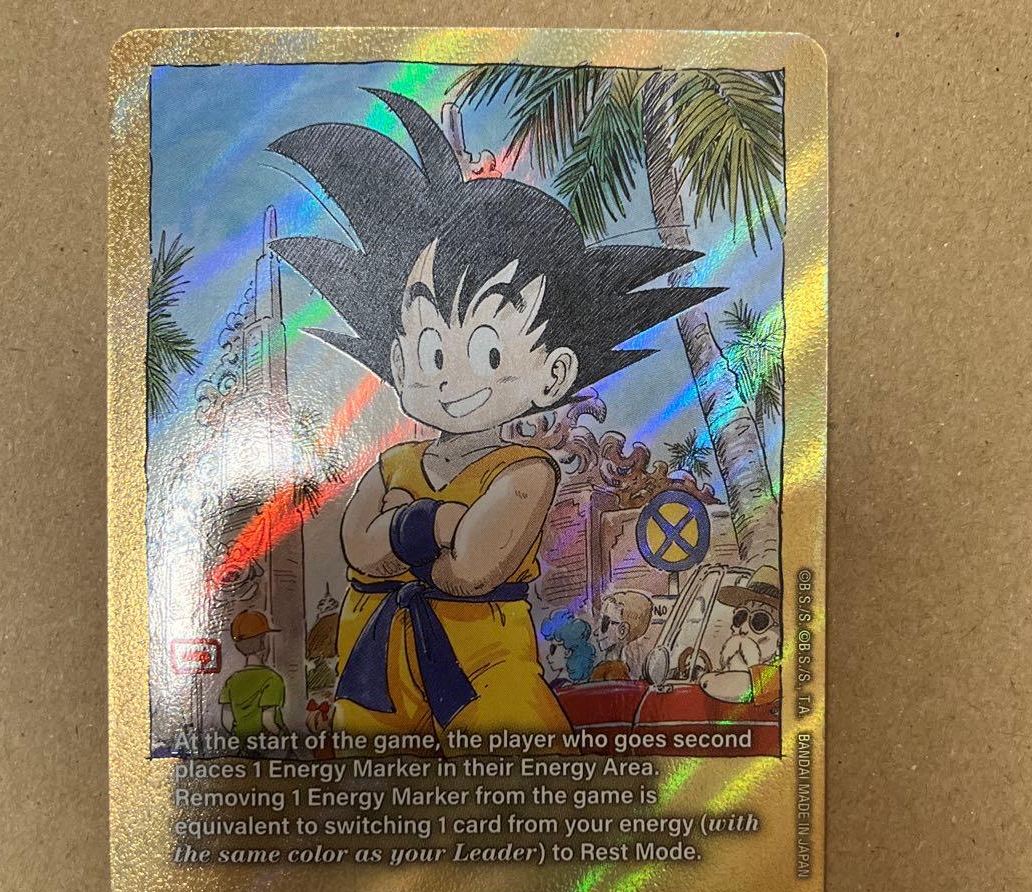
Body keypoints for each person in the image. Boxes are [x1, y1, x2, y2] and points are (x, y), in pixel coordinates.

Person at [268, 90, 723, 744]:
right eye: (430, 350)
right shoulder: (392, 464)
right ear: (396, 357)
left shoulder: (527, 470)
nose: (449, 377)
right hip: (375, 672)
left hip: (486, 671)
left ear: (554, 373)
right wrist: (442, 526)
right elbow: (359, 550)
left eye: (487, 352)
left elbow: (473, 568)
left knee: (525, 770)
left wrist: (404, 527)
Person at [699, 566, 782, 704]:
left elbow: (734, 686)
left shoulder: (778, 676)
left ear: (780, 634)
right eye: (740, 617)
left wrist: (703, 678)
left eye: (759, 621)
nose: (743, 629)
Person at [218, 610, 287, 739]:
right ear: (263, 642)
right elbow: (268, 721)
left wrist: (240, 738)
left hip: (242, 743)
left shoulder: (231, 680)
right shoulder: (272, 678)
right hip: (269, 743)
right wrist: (284, 737)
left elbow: (226, 721)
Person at [590, 590, 653, 682]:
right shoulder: (617, 668)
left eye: (604, 623)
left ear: (622, 631)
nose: (596, 632)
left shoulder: (612, 671)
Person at [540, 609, 595, 689]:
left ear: (567, 652)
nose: (548, 656)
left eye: (553, 649)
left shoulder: (564, 687)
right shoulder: (559, 683)